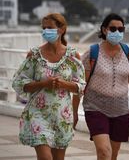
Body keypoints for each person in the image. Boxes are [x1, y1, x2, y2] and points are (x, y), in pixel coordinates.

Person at [12, 13, 86, 160]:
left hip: (62, 116)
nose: (46, 31)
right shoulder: (34, 55)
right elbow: (18, 83)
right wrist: (43, 84)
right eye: (43, 28)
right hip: (37, 114)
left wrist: (64, 84)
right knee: (46, 157)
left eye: (50, 27)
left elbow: (82, 87)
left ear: (62, 29)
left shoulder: (73, 56)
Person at [73, 13, 129, 160]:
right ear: (104, 30)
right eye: (113, 28)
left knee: (112, 156)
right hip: (95, 108)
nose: (117, 32)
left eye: (121, 29)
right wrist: (74, 112)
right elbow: (80, 85)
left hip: (121, 110)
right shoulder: (92, 53)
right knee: (104, 151)